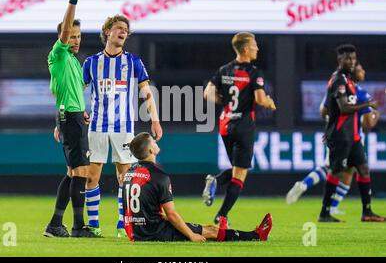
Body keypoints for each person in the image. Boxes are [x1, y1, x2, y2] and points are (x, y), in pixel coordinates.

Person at [82, 15, 162, 237]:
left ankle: (122, 224)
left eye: (126, 29)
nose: (123, 32)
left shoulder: (133, 62)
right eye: (119, 28)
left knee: (124, 177)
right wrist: (81, 111)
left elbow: (147, 93)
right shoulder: (91, 62)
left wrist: (154, 119)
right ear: (108, 31)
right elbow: (77, 91)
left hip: (124, 126)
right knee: (91, 176)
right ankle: (94, 224)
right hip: (97, 125)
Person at [122, 132, 273, 242]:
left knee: (203, 228)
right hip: (154, 233)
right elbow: (172, 214)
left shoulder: (128, 174)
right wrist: (191, 235)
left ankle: (244, 233)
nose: (156, 143)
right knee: (210, 231)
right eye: (153, 142)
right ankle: (256, 236)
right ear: (150, 151)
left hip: (136, 233)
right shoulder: (159, 176)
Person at [286, 61, 381, 214]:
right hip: (352, 138)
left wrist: (333, 126)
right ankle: (307, 186)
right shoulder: (361, 94)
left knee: (345, 171)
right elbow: (369, 124)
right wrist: (378, 113)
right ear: (353, 73)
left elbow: (323, 111)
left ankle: (332, 206)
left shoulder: (336, 88)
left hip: (336, 133)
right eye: (360, 69)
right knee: (334, 168)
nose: (363, 71)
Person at [203, 32, 276, 225]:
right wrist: (269, 102)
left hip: (225, 125)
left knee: (237, 168)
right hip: (243, 125)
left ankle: (216, 183)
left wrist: (223, 101)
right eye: (254, 45)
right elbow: (260, 99)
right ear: (245, 49)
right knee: (240, 173)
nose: (257, 48)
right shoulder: (254, 72)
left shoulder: (224, 70)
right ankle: (222, 214)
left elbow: (207, 93)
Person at [43, 0, 94, 238]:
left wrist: (73, 114)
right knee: (81, 173)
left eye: (78, 36)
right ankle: (76, 227)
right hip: (70, 118)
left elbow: (65, 94)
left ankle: (56, 224)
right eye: (71, 36)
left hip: (72, 117)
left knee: (74, 173)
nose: (75, 40)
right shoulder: (59, 54)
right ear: (62, 36)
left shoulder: (74, 61)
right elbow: (64, 33)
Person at [318, 44, 384, 222]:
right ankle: (324, 212)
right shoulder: (338, 80)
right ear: (339, 60)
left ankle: (367, 212)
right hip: (340, 135)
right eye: (348, 58)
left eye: (353, 58)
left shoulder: (348, 80)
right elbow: (344, 108)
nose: (352, 62)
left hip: (352, 136)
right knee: (336, 171)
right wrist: (368, 105)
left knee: (363, 169)